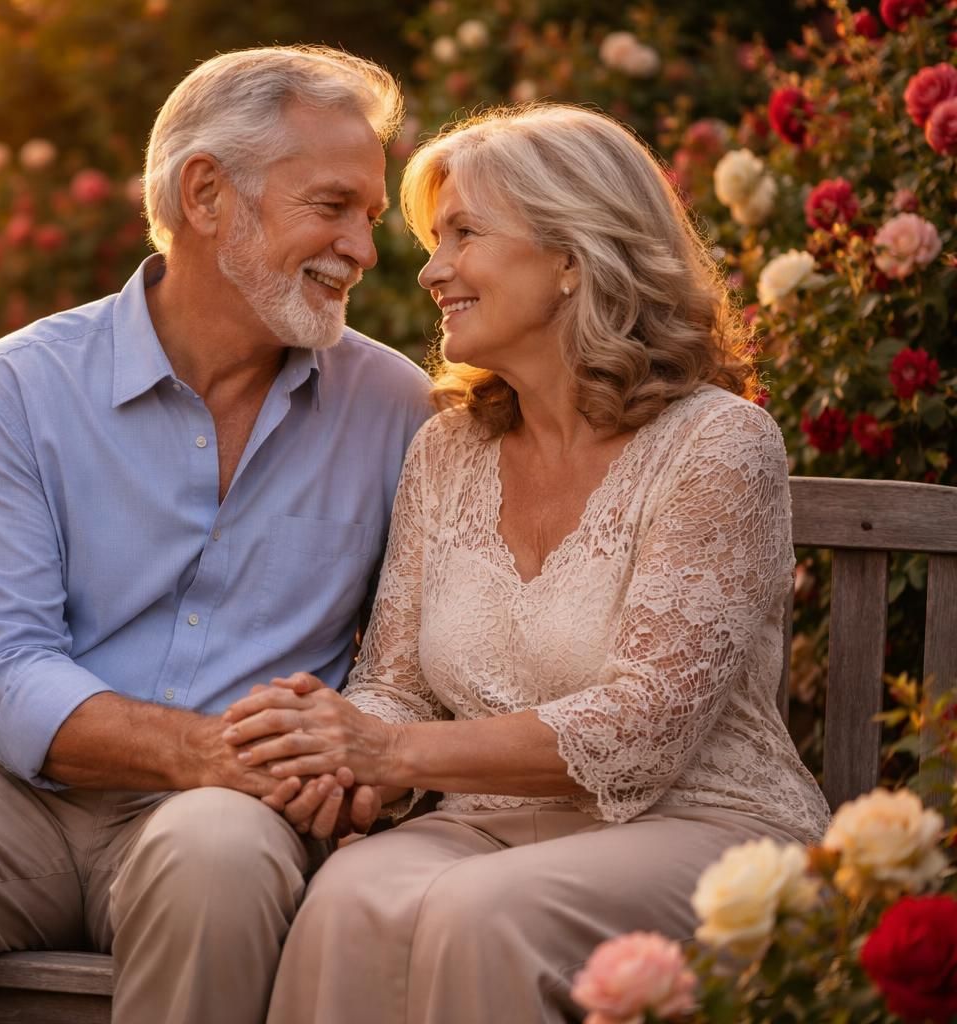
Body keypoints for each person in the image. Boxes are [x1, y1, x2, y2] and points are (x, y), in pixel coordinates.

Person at [0, 46, 436, 1024]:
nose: (366, 251)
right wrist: (207, 748)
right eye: (332, 206)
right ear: (207, 193)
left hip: (230, 811)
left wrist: (350, 757)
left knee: (217, 862)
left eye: (370, 219)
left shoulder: (394, 408)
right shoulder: (17, 387)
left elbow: (412, 658)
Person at [221, 103, 833, 1023]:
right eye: (435, 238)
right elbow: (396, 686)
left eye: (463, 233)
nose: (430, 270)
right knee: (348, 899)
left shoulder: (717, 444)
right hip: (484, 823)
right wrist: (334, 750)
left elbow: (642, 726)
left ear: (572, 256)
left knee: (485, 913)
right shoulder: (447, 452)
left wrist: (390, 751)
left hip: (700, 824)